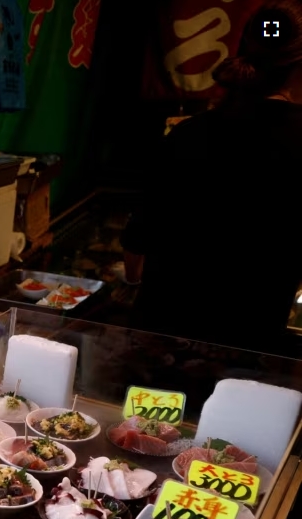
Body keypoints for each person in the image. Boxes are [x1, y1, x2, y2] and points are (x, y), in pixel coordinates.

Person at [122, 0, 302, 357]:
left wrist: (132, 281)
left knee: (143, 416)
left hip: (160, 343)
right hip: (247, 349)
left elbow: (137, 240)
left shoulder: (186, 134)